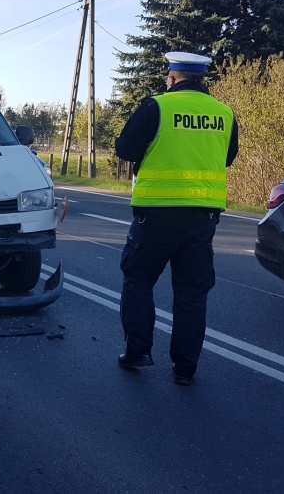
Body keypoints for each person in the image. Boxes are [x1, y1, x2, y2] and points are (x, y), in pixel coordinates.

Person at [113, 51, 239, 386]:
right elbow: (228, 157)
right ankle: (185, 369)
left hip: (155, 213)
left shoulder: (156, 106)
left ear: (172, 78)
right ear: (201, 78)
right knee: (192, 293)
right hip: (203, 216)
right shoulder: (224, 113)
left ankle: (138, 351)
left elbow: (125, 150)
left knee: (138, 280)